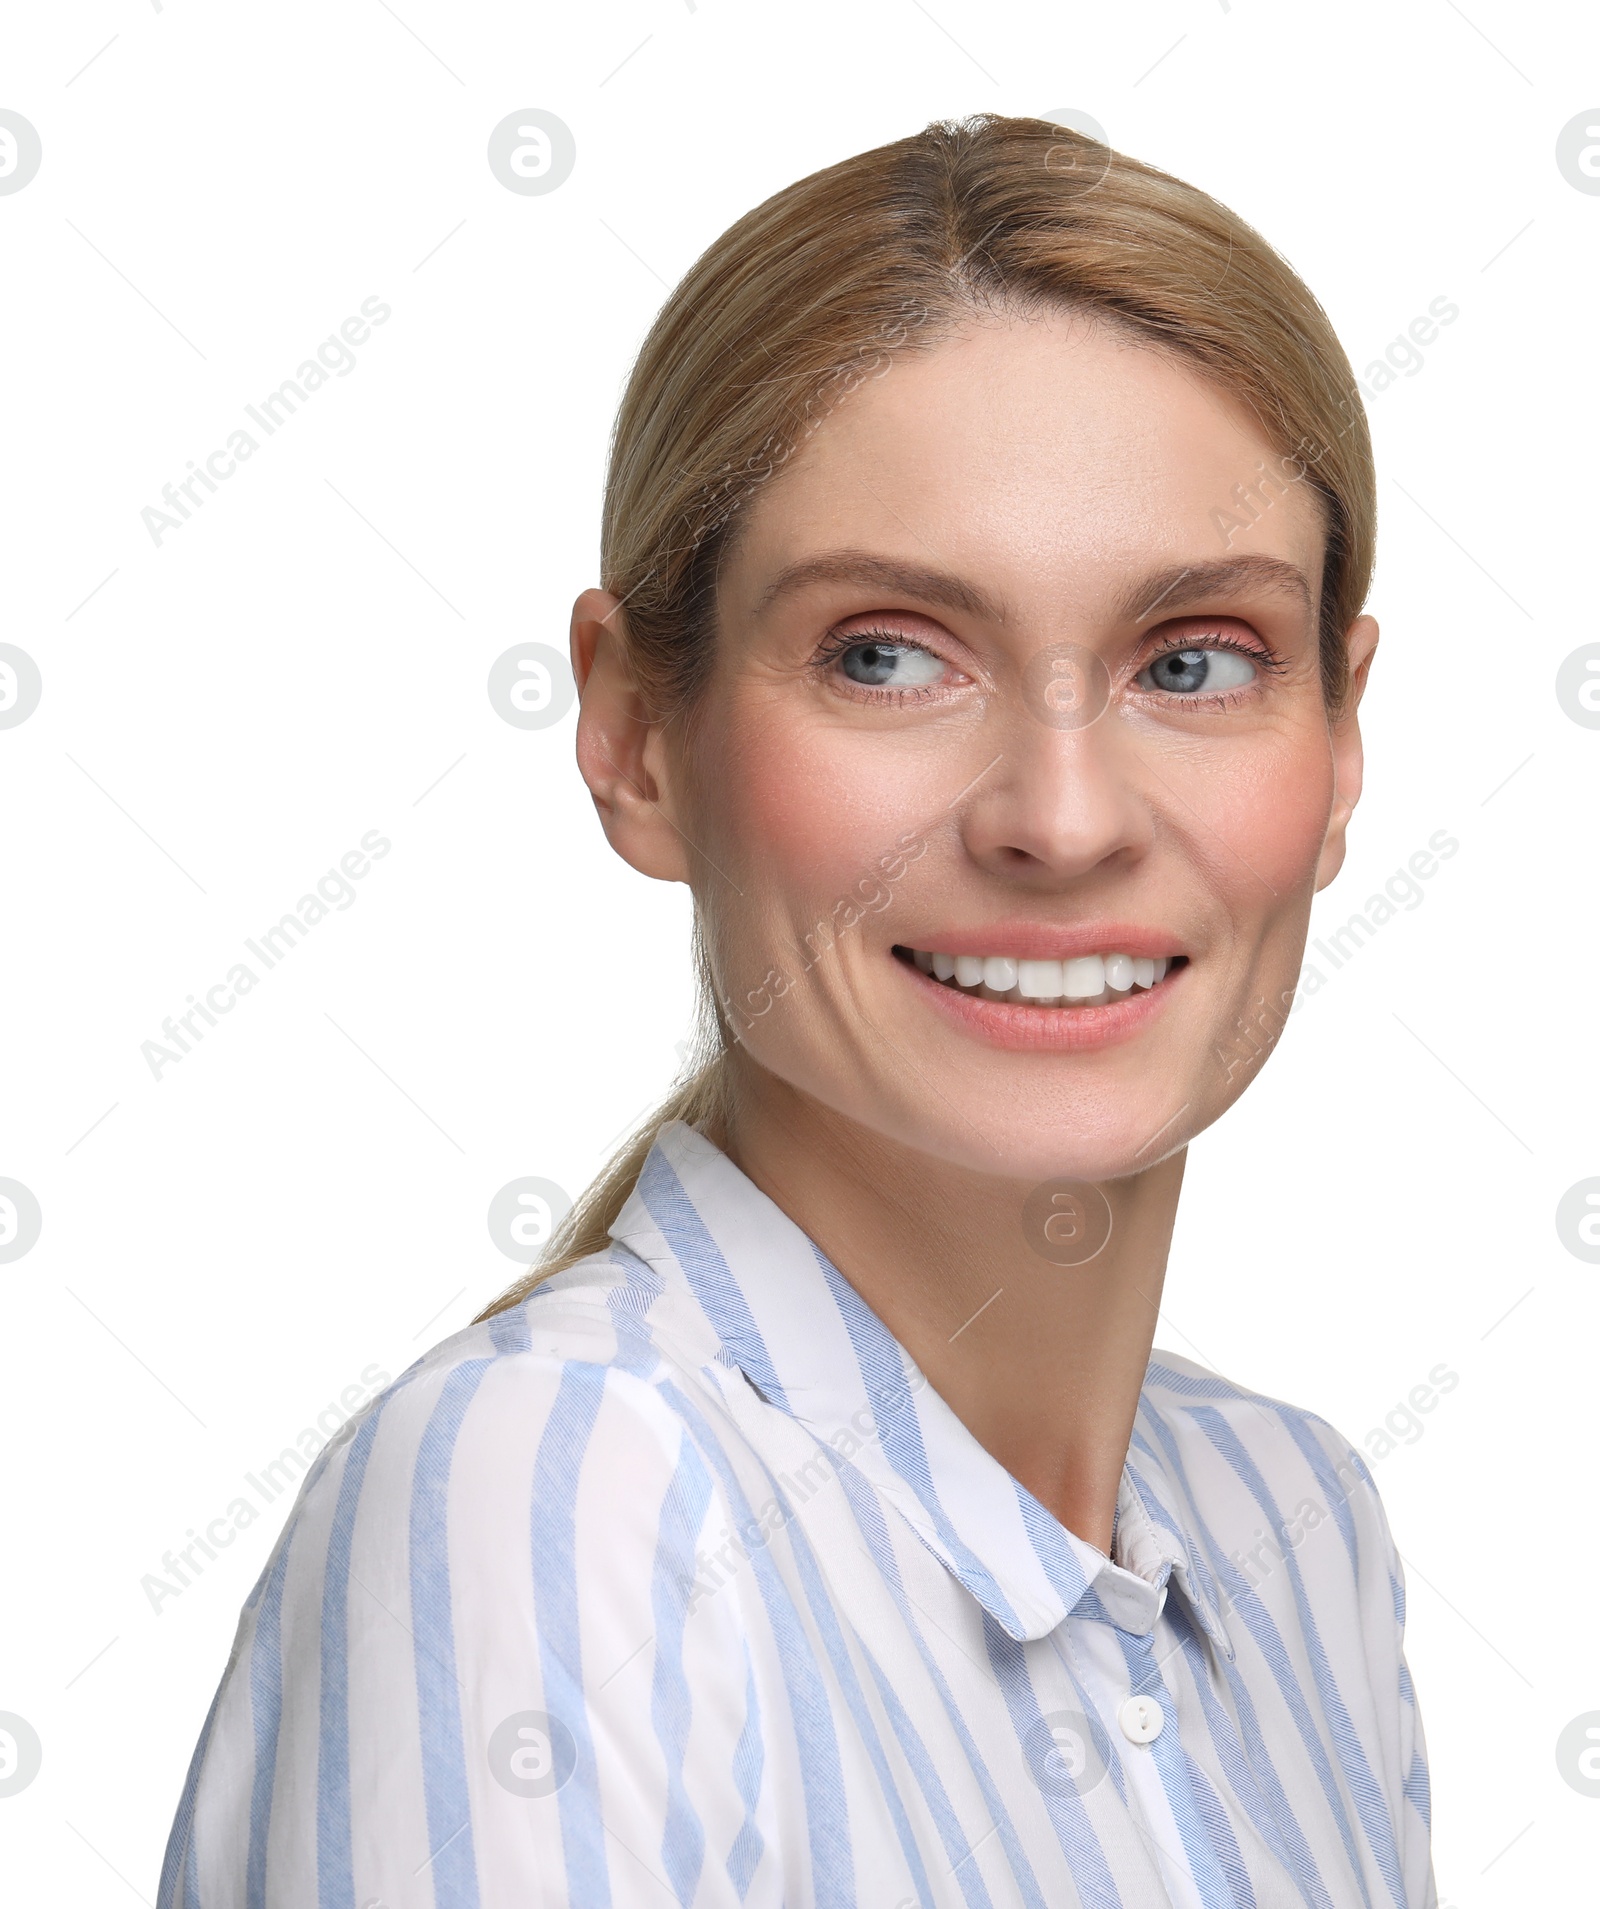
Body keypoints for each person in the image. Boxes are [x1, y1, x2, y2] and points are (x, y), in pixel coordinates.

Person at [159, 113, 1435, 1908]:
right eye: (889, 653)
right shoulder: (559, 1498)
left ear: (1343, 734)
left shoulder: (1298, 1528)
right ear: (634, 734)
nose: (1059, 818)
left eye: (1197, 659)